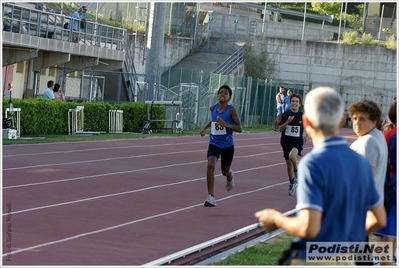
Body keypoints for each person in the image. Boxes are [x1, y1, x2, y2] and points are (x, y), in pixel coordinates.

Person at [255, 87, 386, 265]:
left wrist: (277, 219)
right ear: (341, 121)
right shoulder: (361, 163)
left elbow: (310, 227)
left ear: (306, 122)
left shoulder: (312, 164)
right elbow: (379, 218)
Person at [200, 85, 242, 207]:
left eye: (225, 93)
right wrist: (204, 129)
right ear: (218, 95)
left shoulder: (231, 110)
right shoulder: (213, 108)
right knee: (210, 163)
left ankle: (230, 175)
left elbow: (239, 128)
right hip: (214, 142)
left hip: (227, 145)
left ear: (229, 97)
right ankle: (211, 196)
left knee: (225, 171)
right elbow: (214, 121)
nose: (222, 94)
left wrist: (226, 125)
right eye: (220, 92)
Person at [375, 99, 397, 265]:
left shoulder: (388, 136)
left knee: (387, 232)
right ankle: (388, 259)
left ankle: (384, 262)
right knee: (391, 231)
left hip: (390, 189)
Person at [278, 93, 308, 196]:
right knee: (288, 164)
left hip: (297, 141)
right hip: (286, 141)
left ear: (299, 104)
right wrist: (287, 122)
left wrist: (306, 137)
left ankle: (297, 173)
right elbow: (280, 128)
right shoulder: (286, 114)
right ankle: (292, 182)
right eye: (293, 101)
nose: (294, 103)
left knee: (292, 156)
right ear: (290, 103)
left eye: (296, 102)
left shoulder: (302, 116)